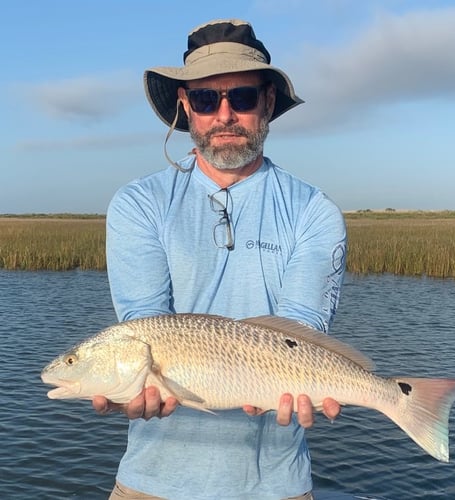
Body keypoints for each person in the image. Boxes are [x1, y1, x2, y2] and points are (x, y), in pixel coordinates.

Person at [93, 19, 347, 500]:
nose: (224, 115)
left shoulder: (315, 211)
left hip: (277, 486)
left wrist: (305, 385)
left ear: (268, 102)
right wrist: (129, 384)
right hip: (149, 484)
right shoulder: (138, 203)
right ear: (186, 107)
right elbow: (145, 325)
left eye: (243, 98)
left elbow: (301, 331)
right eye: (207, 100)